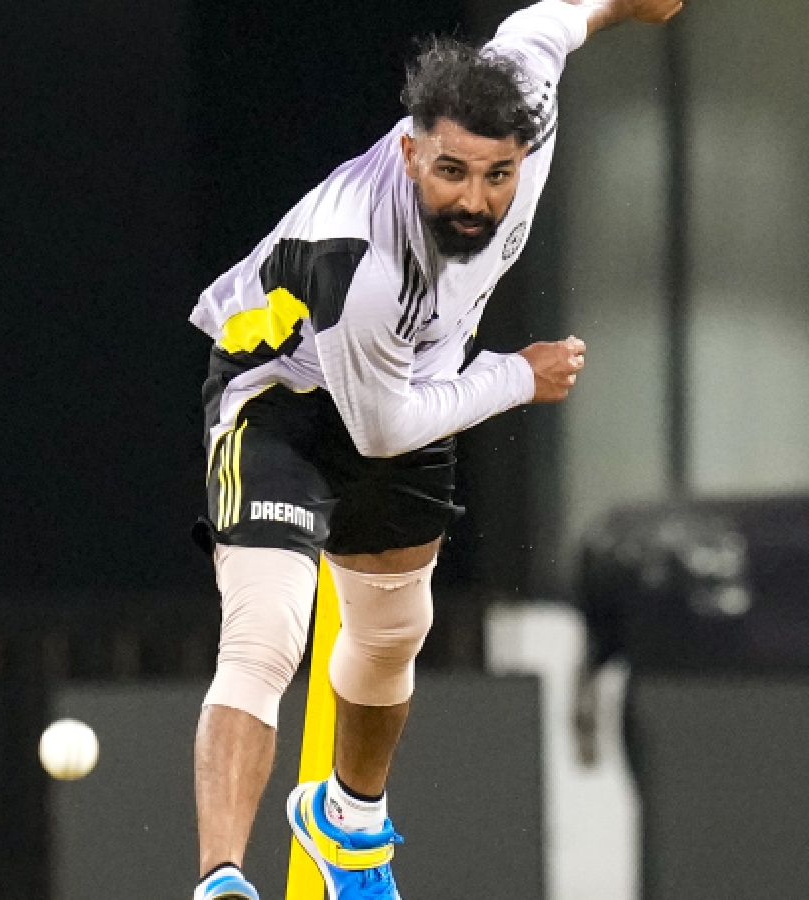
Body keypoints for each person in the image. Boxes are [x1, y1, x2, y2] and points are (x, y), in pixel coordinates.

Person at [186, 1, 680, 897]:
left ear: (522, 156)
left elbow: (550, 18)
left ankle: (347, 822)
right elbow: (381, 432)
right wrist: (518, 378)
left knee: (392, 636)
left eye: (496, 176)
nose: (474, 200)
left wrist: (624, 7)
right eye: (450, 171)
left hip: (405, 387)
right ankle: (222, 880)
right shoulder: (360, 261)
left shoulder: (524, 95)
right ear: (414, 152)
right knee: (266, 635)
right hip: (280, 401)